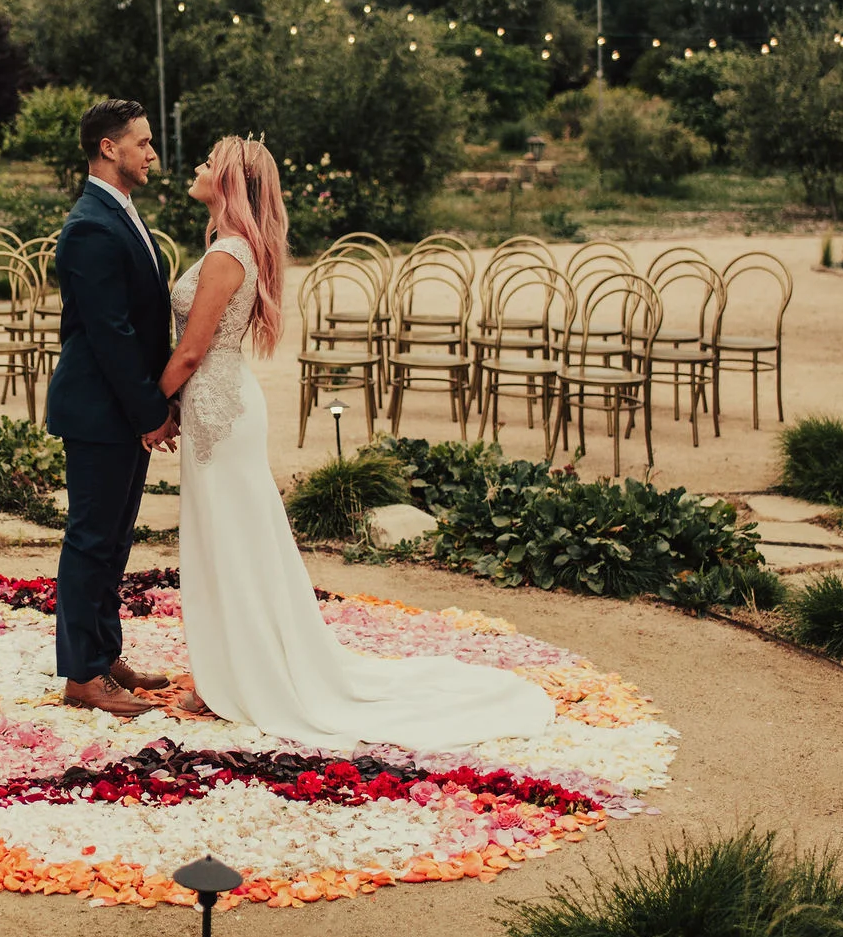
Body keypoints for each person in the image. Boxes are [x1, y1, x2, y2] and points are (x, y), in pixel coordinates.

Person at [159, 136, 555, 750]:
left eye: (209, 162)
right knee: (227, 541)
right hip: (219, 405)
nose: (198, 167)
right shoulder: (230, 246)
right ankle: (229, 671)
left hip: (220, 411)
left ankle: (239, 677)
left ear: (230, 182)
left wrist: (150, 407)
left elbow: (191, 351)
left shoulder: (226, 255)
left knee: (231, 543)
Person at [44, 99, 180, 716]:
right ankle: (82, 676)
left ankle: (104, 655)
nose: (152, 154)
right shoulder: (90, 226)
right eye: (143, 142)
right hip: (99, 409)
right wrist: (151, 410)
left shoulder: (120, 212)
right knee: (91, 540)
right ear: (109, 147)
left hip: (119, 409)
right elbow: (111, 334)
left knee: (115, 540)